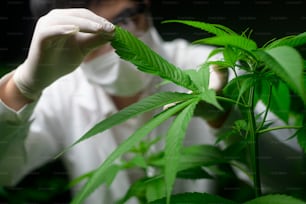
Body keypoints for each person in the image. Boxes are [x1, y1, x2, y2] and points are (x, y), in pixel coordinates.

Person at [0, 0, 304, 203]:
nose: (117, 38)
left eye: (127, 18)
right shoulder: (61, 91)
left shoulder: (212, 68)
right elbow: (6, 172)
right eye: (89, 34)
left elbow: (294, 182)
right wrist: (22, 87)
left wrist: (224, 116)